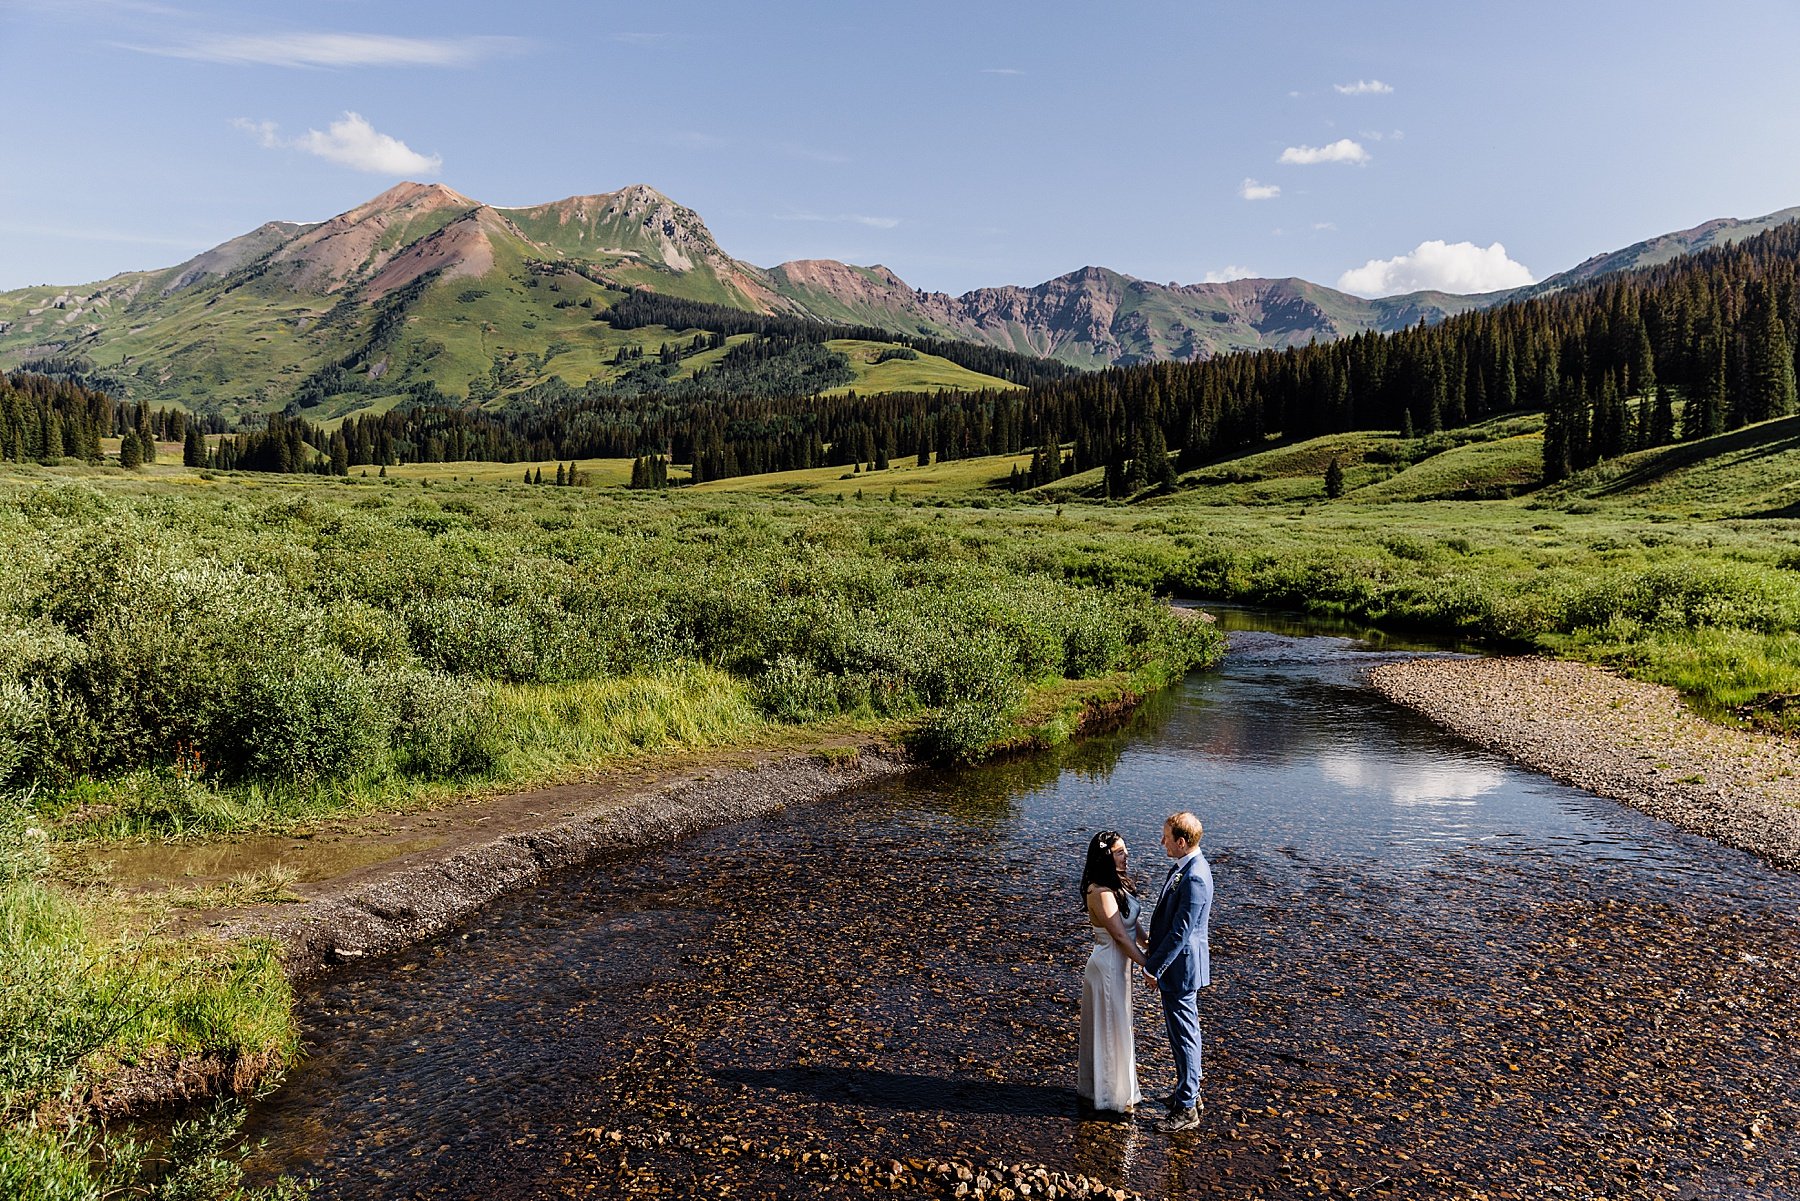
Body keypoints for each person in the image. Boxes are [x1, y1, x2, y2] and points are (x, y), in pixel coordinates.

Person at [1142, 811, 1212, 1133]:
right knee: (1181, 1033)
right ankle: (1188, 1092)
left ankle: (1187, 1107)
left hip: (1181, 970)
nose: (1162, 842)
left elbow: (1181, 934)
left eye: (1166, 838)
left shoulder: (1195, 877)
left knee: (1184, 1036)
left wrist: (1153, 967)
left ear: (1181, 842)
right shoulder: (1184, 867)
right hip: (1178, 967)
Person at [1077, 830, 1148, 1114]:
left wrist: (1149, 945)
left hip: (1121, 965)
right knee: (1110, 1027)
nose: (1126, 855)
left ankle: (1114, 1089)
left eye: (1125, 850)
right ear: (1105, 856)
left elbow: (1132, 925)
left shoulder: (1118, 884)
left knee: (1119, 1026)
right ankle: (1108, 1095)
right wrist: (1147, 964)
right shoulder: (1100, 891)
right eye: (1120, 852)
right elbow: (1119, 935)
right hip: (1107, 966)